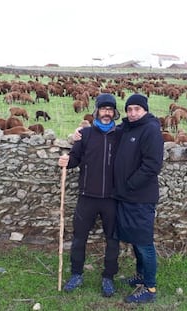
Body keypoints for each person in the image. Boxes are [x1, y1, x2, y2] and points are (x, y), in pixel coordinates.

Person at [57, 93, 121, 297]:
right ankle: (76, 274)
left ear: (115, 113)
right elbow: (75, 158)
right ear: (96, 111)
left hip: (112, 198)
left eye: (110, 110)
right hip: (87, 196)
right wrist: (66, 161)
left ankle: (108, 278)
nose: (107, 113)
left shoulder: (120, 135)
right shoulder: (85, 135)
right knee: (79, 238)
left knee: (112, 240)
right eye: (103, 109)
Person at [114, 94, 164, 304]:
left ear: (144, 110)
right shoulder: (128, 128)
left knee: (144, 243)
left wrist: (129, 184)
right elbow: (107, 132)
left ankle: (150, 288)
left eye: (137, 109)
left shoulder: (150, 130)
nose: (132, 113)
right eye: (129, 109)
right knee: (135, 240)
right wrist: (82, 131)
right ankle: (141, 276)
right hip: (127, 196)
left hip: (140, 197)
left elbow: (152, 165)